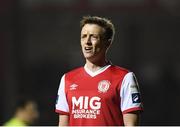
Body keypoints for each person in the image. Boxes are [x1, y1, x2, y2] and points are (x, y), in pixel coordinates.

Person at [55, 16, 143, 126]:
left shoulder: (124, 78)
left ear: (107, 43)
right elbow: (63, 124)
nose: (87, 42)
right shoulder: (67, 79)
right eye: (83, 36)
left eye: (93, 37)